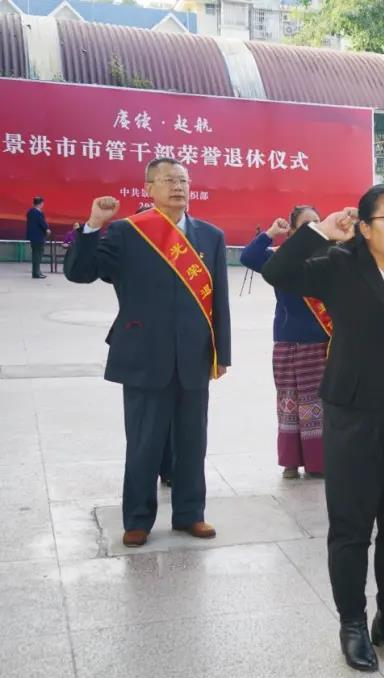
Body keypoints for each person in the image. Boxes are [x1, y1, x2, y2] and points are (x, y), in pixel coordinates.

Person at [261, 185, 384, 672]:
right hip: (355, 414)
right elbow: (278, 272)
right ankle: (352, 623)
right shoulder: (341, 265)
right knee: (352, 528)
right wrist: (319, 231)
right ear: (367, 228)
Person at [64, 158, 231, 547]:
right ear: (149, 188)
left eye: (183, 180)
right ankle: (138, 518)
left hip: (193, 356)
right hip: (143, 354)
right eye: (169, 180)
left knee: (193, 442)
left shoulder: (210, 236)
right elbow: (80, 272)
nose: (178, 186)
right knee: (144, 442)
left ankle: (190, 514)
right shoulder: (128, 232)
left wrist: (221, 352)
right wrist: (93, 224)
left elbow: (219, 300)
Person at [240, 206, 330, 480]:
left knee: (316, 405)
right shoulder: (280, 259)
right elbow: (248, 257)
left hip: (319, 342)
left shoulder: (330, 256)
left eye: (317, 222)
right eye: (306, 224)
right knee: (288, 403)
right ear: (292, 230)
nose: (313, 227)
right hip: (286, 340)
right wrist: (270, 233)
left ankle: (318, 462)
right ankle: (290, 462)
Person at [26, 196, 49, 278]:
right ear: (41, 203)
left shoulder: (30, 212)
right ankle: (36, 273)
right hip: (38, 236)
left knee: (35, 254)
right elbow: (42, 223)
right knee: (38, 255)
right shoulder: (38, 212)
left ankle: (37, 271)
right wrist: (47, 229)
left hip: (33, 236)